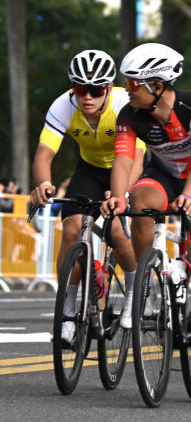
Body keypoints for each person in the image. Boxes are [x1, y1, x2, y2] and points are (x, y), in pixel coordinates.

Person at [101, 43, 191, 371]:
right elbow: (124, 159)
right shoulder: (130, 114)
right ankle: (146, 277)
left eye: (131, 84)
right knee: (140, 202)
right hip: (163, 174)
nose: (125, 90)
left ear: (157, 87)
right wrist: (116, 197)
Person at [30, 49, 143, 344]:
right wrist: (43, 183)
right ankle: (67, 314)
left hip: (127, 165)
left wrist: (123, 192)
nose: (87, 96)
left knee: (116, 229)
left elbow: (138, 156)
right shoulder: (63, 106)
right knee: (70, 228)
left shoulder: (124, 104)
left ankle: (133, 294)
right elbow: (44, 152)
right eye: (81, 89)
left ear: (108, 89)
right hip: (90, 170)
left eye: (95, 90)